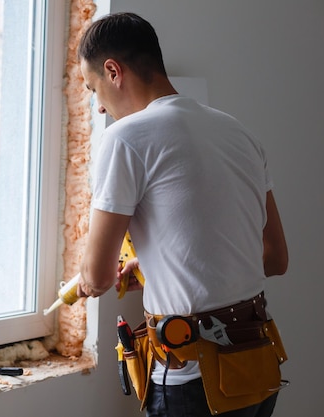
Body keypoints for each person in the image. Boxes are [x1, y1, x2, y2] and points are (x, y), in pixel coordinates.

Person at [74, 12, 288, 417]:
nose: (98, 108)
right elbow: (275, 257)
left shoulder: (125, 138)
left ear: (113, 71)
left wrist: (87, 281)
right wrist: (158, 264)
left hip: (194, 384)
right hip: (257, 368)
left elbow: (98, 276)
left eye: (93, 89)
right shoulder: (239, 133)